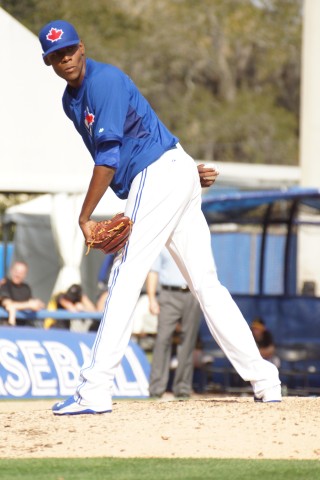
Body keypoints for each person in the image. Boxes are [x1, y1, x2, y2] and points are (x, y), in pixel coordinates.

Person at [38, 20, 281, 415]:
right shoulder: (71, 102)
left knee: (125, 275)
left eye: (68, 50)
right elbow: (137, 137)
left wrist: (85, 216)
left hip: (160, 173)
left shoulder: (106, 82)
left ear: (82, 47)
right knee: (206, 284)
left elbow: (110, 158)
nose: (64, 59)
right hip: (168, 170)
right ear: (48, 62)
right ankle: (266, 380)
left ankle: (95, 388)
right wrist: (182, 173)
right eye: (55, 56)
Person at [147, 248, 201, 399]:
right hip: (168, 293)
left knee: (188, 341)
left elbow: (205, 270)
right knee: (162, 340)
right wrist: (151, 298)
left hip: (191, 294)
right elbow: (153, 271)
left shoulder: (193, 242)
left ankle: (183, 388)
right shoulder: (162, 243)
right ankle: (156, 389)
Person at [0, 261, 45, 327]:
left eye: (21, 273)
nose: (18, 275)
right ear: (11, 271)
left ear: (25, 275)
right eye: (16, 271)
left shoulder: (26, 288)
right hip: (5, 326)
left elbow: (34, 304)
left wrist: (37, 304)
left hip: (24, 326)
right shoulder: (5, 285)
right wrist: (29, 305)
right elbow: (8, 304)